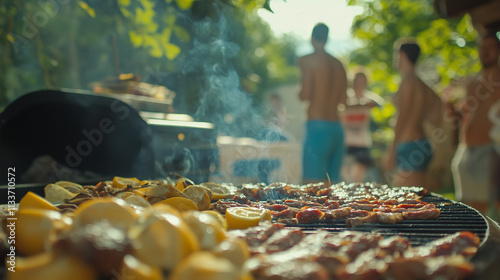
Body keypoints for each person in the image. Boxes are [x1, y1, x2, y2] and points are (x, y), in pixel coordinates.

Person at [452, 33, 500, 213]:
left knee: (486, 211)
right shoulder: (472, 83)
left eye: (490, 48)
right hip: (465, 151)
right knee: (466, 209)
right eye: (482, 47)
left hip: (490, 151)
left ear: (498, 51)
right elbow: (466, 115)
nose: (485, 52)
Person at [384, 39, 442, 187]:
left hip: (409, 146)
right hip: (421, 143)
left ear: (402, 55)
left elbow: (401, 118)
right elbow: (436, 117)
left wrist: (392, 150)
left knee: (411, 201)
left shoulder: (407, 82)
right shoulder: (422, 84)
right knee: (414, 198)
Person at [298, 23, 347, 183]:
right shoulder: (339, 64)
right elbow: (343, 100)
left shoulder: (308, 60)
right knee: (331, 189)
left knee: (310, 188)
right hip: (336, 129)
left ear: (312, 38)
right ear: (327, 39)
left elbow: (305, 94)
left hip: (317, 128)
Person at [340, 71, 384, 182]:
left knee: (357, 180)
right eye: (356, 81)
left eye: (362, 81)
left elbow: (379, 104)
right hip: (346, 144)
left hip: (362, 144)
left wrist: (358, 104)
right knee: (345, 178)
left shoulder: (368, 97)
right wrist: (358, 105)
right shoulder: (345, 96)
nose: (359, 84)